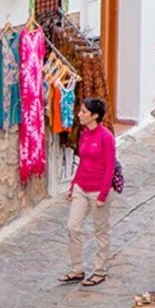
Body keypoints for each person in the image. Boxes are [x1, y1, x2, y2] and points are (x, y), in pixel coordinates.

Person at [58, 97, 115, 287]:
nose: (79, 114)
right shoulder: (84, 134)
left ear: (95, 115)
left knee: (100, 231)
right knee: (72, 227)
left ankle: (100, 270)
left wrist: (103, 195)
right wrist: (73, 185)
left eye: (83, 111)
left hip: (99, 189)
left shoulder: (106, 137)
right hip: (81, 187)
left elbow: (109, 167)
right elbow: (82, 162)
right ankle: (77, 269)